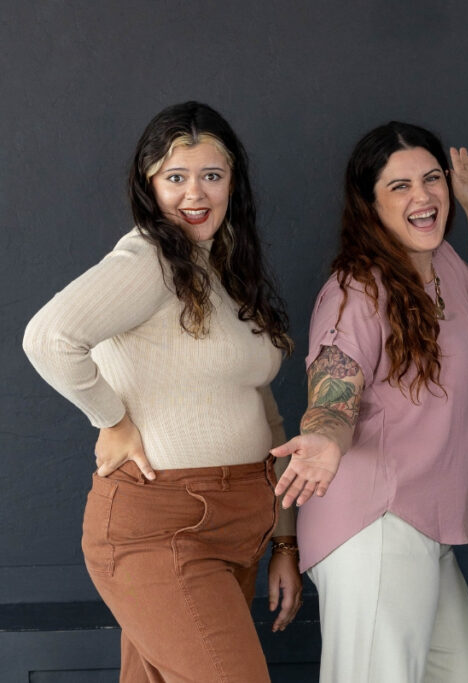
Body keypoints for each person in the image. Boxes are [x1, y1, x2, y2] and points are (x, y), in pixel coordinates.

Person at [22, 101, 301, 682]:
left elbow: (263, 408)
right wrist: (113, 422)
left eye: (211, 176)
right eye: (176, 177)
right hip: (165, 527)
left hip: (237, 525)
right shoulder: (149, 258)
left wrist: (284, 541)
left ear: (232, 184)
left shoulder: (223, 269)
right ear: (150, 184)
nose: (194, 194)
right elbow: (49, 337)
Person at [269, 121, 468, 682]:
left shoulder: (444, 267)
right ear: (369, 204)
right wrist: (326, 440)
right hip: (374, 526)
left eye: (432, 179)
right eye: (400, 186)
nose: (423, 196)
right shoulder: (357, 290)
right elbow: (333, 394)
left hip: (423, 527)